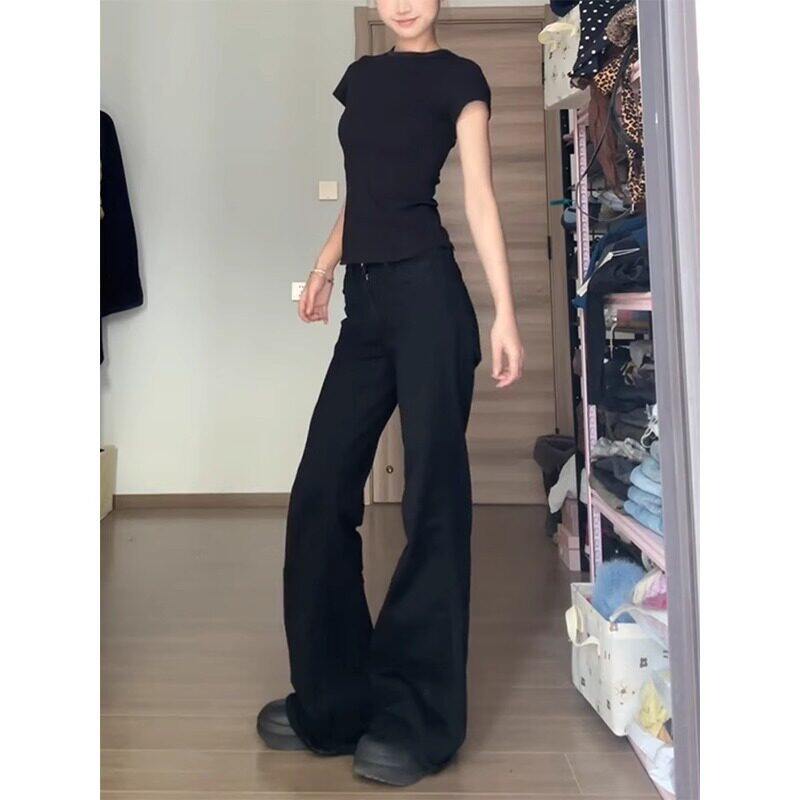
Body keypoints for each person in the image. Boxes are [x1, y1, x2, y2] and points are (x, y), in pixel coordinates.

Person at [257, 0, 524, 786]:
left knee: (431, 501)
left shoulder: (460, 79)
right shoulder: (363, 79)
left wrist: (506, 313)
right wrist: (323, 265)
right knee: (320, 492)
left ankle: (418, 717)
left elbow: (478, 198)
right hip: (365, 304)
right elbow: (364, 191)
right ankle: (335, 698)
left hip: (429, 300)